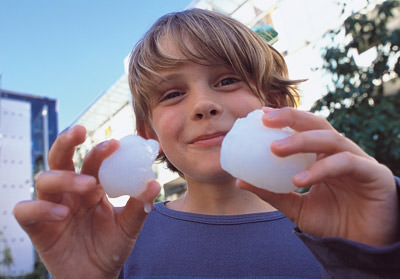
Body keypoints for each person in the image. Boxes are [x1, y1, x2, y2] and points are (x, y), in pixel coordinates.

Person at [13, 8, 400, 279]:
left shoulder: (344, 228)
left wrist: (374, 257)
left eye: (227, 80)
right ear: (148, 134)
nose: (203, 105)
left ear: (276, 104)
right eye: (172, 94)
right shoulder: (118, 246)